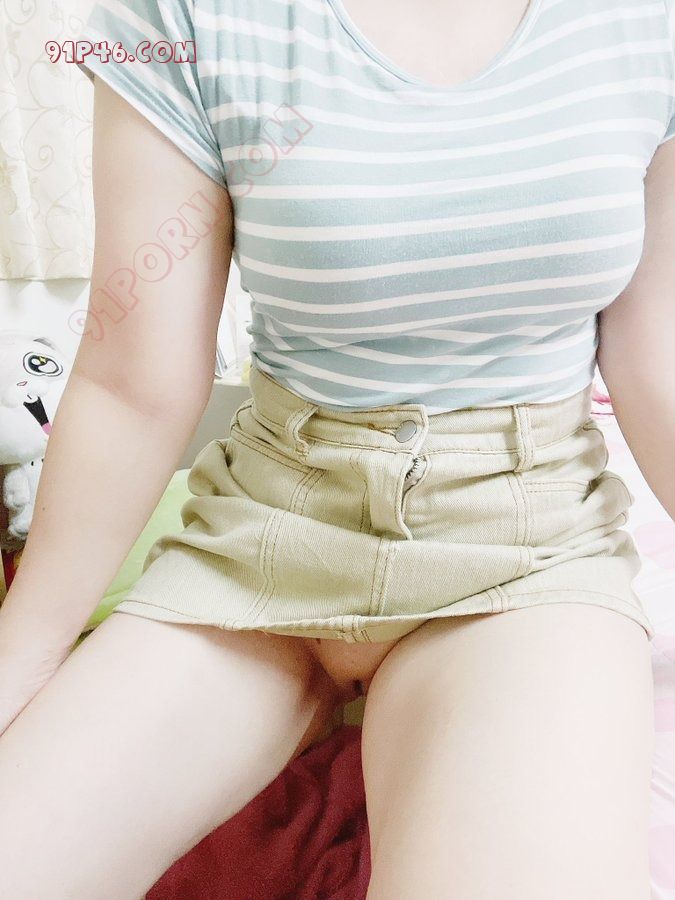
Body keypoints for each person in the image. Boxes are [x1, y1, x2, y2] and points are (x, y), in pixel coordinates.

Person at [0, 0, 673, 896]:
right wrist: (21, 658)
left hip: (523, 551)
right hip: (261, 534)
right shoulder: (178, 14)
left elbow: (654, 354)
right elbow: (132, 381)